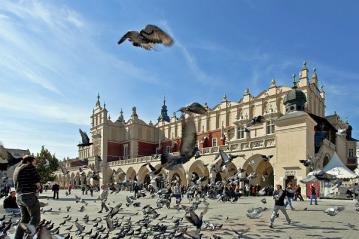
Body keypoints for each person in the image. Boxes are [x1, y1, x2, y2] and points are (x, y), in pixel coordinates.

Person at [13, 155, 41, 238]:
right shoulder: (29, 167)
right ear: (29, 161)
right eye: (34, 161)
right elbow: (37, 180)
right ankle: (28, 237)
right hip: (29, 196)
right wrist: (38, 186)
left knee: (24, 220)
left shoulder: (17, 168)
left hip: (19, 197)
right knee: (35, 218)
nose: (35, 163)